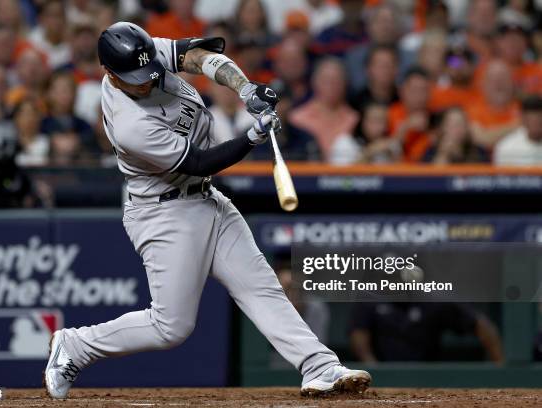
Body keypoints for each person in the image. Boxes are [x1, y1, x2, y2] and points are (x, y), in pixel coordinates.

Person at [44, 22, 370, 400]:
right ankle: (75, 345)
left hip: (206, 199)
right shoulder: (130, 123)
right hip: (164, 213)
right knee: (171, 326)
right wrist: (252, 136)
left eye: (148, 72)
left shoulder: (143, 53)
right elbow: (199, 162)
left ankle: (319, 365)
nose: (147, 81)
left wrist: (245, 88)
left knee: (260, 286)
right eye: (136, 78)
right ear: (110, 74)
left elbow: (199, 56)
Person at [349, 302, 504, 364]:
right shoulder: (370, 301)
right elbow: (359, 340)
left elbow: (483, 326)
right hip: (384, 379)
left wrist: (500, 369)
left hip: (428, 382)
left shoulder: (432, 300)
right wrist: (375, 372)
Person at [289, 57, 358, 161]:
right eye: (326, 81)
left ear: (345, 84)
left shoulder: (354, 118)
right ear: (314, 82)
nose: (331, 86)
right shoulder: (297, 118)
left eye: (336, 81)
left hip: (345, 175)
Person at [467, 59, 521, 150]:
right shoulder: (472, 110)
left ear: (512, 83)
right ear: (483, 84)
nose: (498, 84)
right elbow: (483, 139)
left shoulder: (523, 108)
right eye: (493, 79)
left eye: (503, 78)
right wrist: (519, 126)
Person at [331, 103, 399, 165]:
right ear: (362, 122)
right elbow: (340, 175)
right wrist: (370, 152)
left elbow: (400, 175)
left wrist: (393, 156)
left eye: (383, 121)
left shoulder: (391, 145)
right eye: (375, 120)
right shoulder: (345, 142)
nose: (380, 126)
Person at [423, 107, 489, 164]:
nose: (457, 128)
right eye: (452, 124)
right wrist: (443, 154)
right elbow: (432, 176)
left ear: (467, 127)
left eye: (460, 123)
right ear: (443, 127)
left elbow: (484, 175)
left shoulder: (479, 152)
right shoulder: (431, 151)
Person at [494, 96, 542, 165]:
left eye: (539, 118)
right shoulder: (506, 148)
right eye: (532, 119)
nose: (536, 122)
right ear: (523, 118)